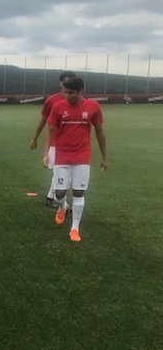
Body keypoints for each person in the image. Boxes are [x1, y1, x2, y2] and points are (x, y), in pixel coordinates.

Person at [43, 77, 108, 242]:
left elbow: (99, 132)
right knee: (59, 194)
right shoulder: (58, 106)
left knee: (79, 192)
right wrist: (45, 154)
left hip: (82, 157)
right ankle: (63, 207)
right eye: (65, 92)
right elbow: (50, 130)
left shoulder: (93, 107)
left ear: (81, 92)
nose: (67, 95)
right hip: (62, 156)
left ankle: (74, 228)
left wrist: (104, 157)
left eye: (71, 93)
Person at [30, 71, 77, 207]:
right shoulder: (51, 101)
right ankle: (63, 205)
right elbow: (43, 121)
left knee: (64, 174)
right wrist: (35, 138)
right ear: (60, 83)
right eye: (65, 82)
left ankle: (50, 197)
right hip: (55, 143)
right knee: (59, 172)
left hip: (72, 145)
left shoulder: (78, 100)